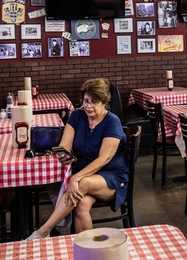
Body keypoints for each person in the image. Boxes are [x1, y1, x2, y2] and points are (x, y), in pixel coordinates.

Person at [29, 78, 128, 239]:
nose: (88, 106)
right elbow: (65, 145)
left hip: (112, 176)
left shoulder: (112, 122)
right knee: (80, 205)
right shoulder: (77, 115)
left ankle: (42, 232)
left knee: (81, 183)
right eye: (86, 101)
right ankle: (87, 248)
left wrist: (75, 177)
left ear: (104, 102)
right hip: (85, 174)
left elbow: (104, 159)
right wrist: (64, 154)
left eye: (94, 102)